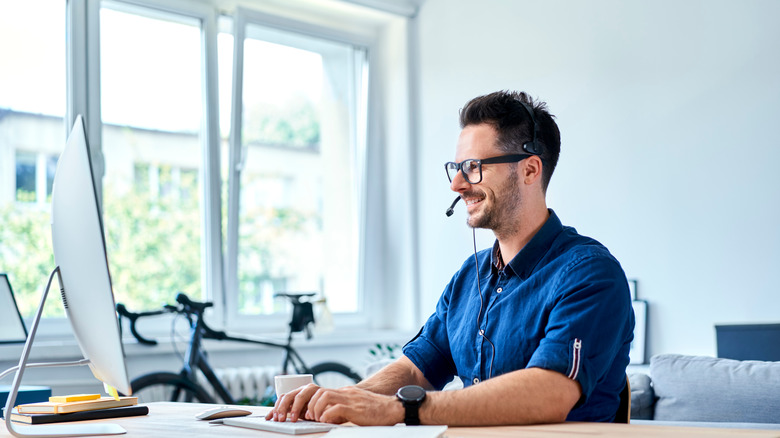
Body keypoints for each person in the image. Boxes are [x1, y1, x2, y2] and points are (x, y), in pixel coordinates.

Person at [267, 90, 634, 426]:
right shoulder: (469, 277)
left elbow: (550, 393)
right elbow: (416, 370)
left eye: (473, 167)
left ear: (529, 169)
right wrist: (340, 401)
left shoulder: (590, 274)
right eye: (455, 168)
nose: (457, 184)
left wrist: (402, 409)